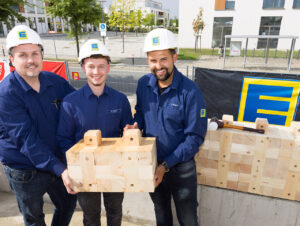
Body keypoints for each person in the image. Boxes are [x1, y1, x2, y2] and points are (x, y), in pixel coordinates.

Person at [126, 28, 207, 226]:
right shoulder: (144, 84)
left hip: (182, 166)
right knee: (161, 214)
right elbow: (141, 113)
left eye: (163, 59)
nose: (158, 66)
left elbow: (195, 138)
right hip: (153, 162)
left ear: (174, 58)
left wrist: (166, 165)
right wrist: (135, 127)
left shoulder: (190, 92)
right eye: (153, 60)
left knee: (188, 219)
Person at [0, 25, 76, 226]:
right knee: (34, 218)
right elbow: (27, 140)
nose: (31, 60)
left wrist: (118, 120)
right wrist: (62, 169)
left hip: (56, 160)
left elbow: (80, 107)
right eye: (22, 55)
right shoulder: (6, 94)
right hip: (24, 169)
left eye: (35, 53)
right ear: (11, 59)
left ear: (42, 55)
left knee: (68, 204)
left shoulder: (55, 82)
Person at [56, 39, 133, 226]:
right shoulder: (70, 102)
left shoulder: (120, 100)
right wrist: (74, 165)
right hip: (84, 170)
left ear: (108, 68)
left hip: (115, 168)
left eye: (101, 66)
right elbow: (63, 139)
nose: (96, 72)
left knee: (115, 213)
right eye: (91, 66)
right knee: (91, 216)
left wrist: (130, 133)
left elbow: (128, 132)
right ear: (83, 67)